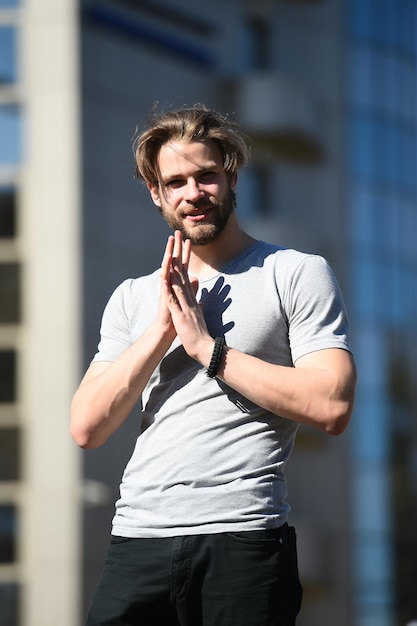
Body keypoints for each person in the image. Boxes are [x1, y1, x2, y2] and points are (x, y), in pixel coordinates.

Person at [71, 104, 356, 626]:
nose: (192, 193)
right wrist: (161, 333)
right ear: (157, 194)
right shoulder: (134, 297)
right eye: (175, 182)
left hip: (245, 540)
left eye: (206, 176)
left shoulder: (294, 273)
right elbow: (87, 426)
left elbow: (332, 404)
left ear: (231, 176)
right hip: (137, 540)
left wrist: (209, 350)